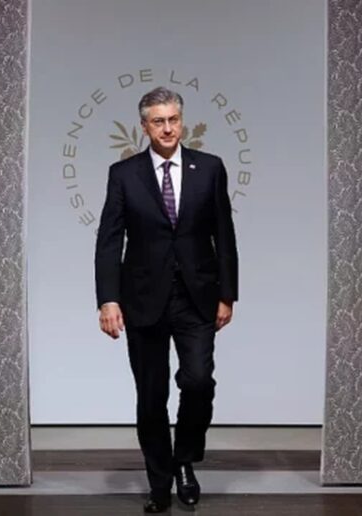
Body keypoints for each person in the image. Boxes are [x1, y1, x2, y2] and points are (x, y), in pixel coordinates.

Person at [95, 86, 238, 512]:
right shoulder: (124, 174)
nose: (168, 128)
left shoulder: (209, 168)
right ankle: (159, 483)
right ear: (144, 127)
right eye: (158, 121)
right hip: (142, 300)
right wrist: (108, 300)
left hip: (197, 297)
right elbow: (109, 241)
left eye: (173, 119)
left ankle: (184, 459)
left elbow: (224, 235)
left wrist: (227, 294)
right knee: (151, 395)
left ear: (182, 122)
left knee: (198, 381)